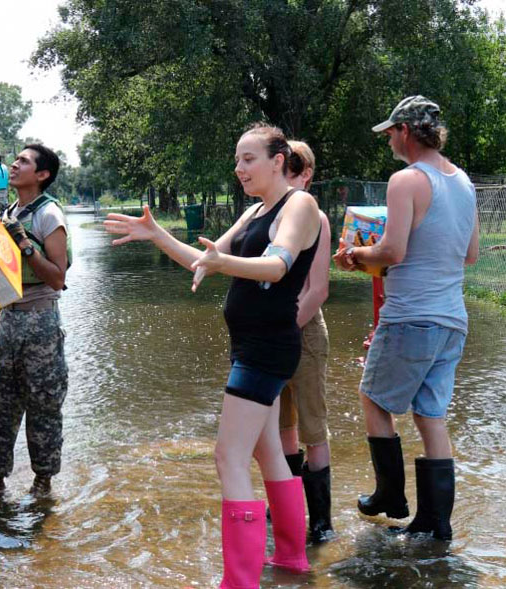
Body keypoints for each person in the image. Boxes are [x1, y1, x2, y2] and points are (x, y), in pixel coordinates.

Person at [105, 124, 320, 588]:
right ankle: (290, 560)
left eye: (248, 159)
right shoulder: (253, 213)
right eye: (237, 160)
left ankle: (239, 582)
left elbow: (278, 265)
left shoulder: (299, 205)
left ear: (278, 161)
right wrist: (156, 233)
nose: (239, 168)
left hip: (266, 347)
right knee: (267, 454)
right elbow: (202, 259)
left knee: (228, 457)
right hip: (249, 345)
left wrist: (225, 264)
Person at [333, 96, 480, 541]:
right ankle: (437, 524)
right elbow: (471, 255)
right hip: (452, 319)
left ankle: (390, 497)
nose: (388, 143)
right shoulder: (464, 182)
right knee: (430, 415)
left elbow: (393, 251)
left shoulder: (406, 180)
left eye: (390, 134)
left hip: (410, 316)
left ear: (404, 132)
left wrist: (354, 255)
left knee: (373, 399)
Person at [0, 144, 71, 497]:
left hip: (40, 321)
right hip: (9, 319)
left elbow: (58, 278)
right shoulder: (8, 212)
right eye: (15, 160)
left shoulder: (48, 215)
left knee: (43, 403)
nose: (14, 165)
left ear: (42, 175)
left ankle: (43, 482)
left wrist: (24, 244)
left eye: (23, 162)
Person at [275, 140, 335, 543]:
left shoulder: (316, 218)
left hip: (304, 333)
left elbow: (316, 291)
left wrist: (282, 329)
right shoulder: (269, 216)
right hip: (273, 337)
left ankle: (321, 521)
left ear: (305, 175)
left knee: (314, 428)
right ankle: (286, 507)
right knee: (282, 428)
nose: (285, 178)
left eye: (292, 170)